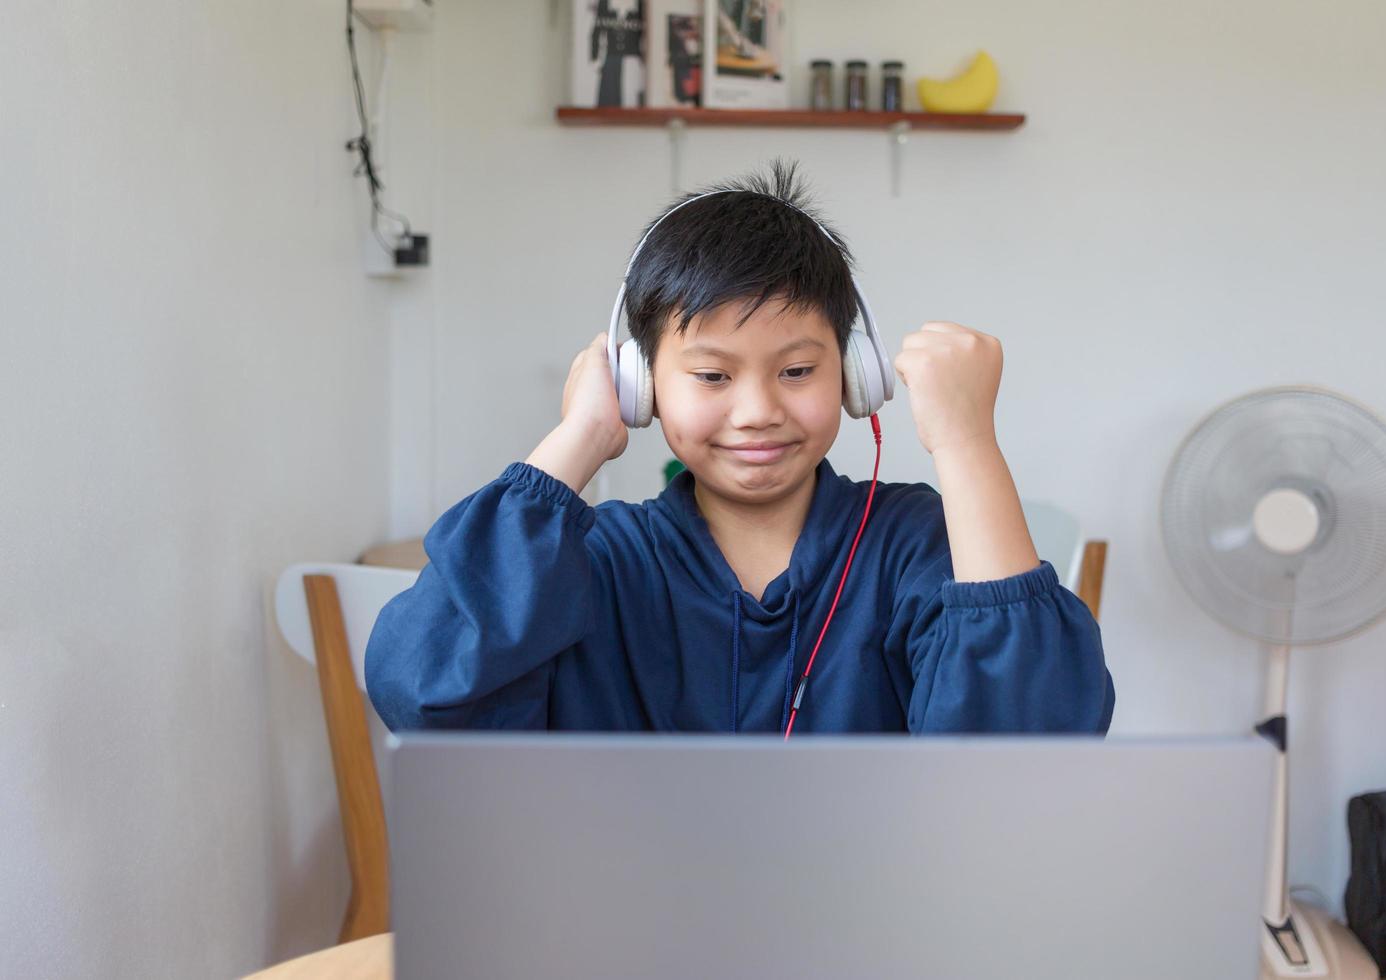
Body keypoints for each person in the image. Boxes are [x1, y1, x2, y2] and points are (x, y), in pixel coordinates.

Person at [365, 161, 1114, 735]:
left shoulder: (913, 546)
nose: (757, 412)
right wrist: (577, 441)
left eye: (796, 371)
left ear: (856, 373)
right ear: (639, 383)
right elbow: (423, 693)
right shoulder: (597, 561)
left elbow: (1030, 748)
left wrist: (967, 442)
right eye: (713, 375)